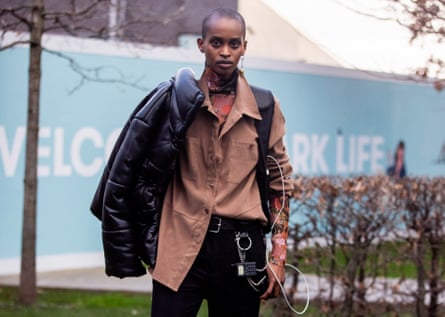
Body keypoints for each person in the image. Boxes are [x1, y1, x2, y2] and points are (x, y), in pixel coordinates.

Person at [91, 8, 293, 317]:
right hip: (179, 244)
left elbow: (280, 185)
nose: (225, 52)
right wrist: (149, 245)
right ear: (201, 45)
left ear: (244, 47)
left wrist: (278, 257)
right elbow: (141, 174)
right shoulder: (175, 103)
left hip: (241, 248)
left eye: (234, 44)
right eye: (216, 43)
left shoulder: (264, 107)